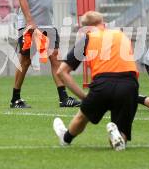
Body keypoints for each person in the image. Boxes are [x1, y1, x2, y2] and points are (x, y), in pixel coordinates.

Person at [53, 11, 140, 151]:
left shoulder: (89, 38)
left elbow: (61, 71)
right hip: (129, 84)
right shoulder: (121, 35)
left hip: (103, 83)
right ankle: (116, 135)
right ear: (103, 23)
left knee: (82, 117)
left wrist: (84, 97)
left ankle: (65, 138)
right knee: (121, 132)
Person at [11, 0, 80, 108]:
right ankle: (15, 98)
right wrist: (29, 21)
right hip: (29, 23)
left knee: (54, 57)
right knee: (25, 60)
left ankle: (63, 98)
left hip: (47, 23)